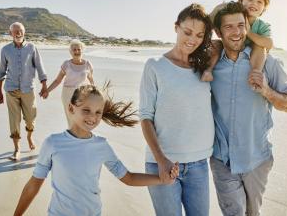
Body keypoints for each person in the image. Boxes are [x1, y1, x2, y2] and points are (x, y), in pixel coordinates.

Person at [13, 84, 179, 216]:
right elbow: (33, 185)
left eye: (98, 112)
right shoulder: (53, 143)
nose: (92, 117)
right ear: (71, 109)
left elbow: (128, 178)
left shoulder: (102, 146)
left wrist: (161, 179)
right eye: (86, 110)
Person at [209, 1, 287, 216]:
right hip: (222, 159)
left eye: (241, 25)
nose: (236, 32)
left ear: (247, 27)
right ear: (218, 32)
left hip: (256, 158)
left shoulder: (267, 63)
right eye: (228, 27)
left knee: (253, 212)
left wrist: (267, 91)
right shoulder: (211, 65)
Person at [139, 3, 215, 216]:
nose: (193, 40)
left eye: (200, 35)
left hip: (199, 164)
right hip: (162, 163)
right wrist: (161, 160)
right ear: (176, 27)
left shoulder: (203, 67)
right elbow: (145, 117)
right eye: (187, 32)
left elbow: (219, 42)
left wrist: (208, 66)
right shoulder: (155, 65)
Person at [201, 0, 273, 87]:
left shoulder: (262, 26)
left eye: (259, 2)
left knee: (260, 47)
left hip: (252, 54)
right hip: (232, 48)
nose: (254, 4)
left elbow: (269, 44)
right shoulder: (233, 13)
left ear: (264, 8)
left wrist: (248, 33)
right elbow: (209, 23)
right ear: (241, 1)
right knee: (217, 44)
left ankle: (255, 73)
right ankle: (208, 70)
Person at [0, 22, 48, 161]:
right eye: (15, 31)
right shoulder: (5, 50)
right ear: (10, 34)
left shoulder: (32, 48)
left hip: (28, 89)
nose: (18, 33)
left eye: (20, 30)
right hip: (11, 89)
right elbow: (1, 71)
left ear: (24, 32)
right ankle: (17, 149)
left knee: (30, 118)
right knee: (14, 120)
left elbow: (40, 67)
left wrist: (44, 85)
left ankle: (29, 137)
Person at [46, 40, 94, 124]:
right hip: (67, 94)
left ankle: (81, 135)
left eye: (79, 49)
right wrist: (47, 90)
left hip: (81, 94)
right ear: (70, 52)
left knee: (81, 117)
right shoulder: (66, 64)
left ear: (82, 50)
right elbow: (57, 80)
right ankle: (73, 135)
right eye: (74, 50)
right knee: (71, 118)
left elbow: (91, 79)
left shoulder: (88, 64)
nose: (77, 51)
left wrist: (95, 93)